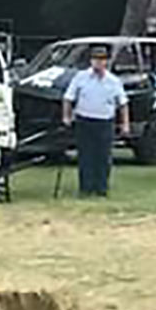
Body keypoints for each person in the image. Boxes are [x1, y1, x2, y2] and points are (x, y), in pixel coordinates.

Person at [62, 44, 129, 197]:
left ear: (106, 61)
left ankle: (101, 188)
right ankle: (86, 188)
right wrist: (66, 116)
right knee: (86, 155)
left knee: (103, 156)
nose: (98, 62)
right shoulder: (81, 77)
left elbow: (123, 104)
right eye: (95, 59)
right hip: (84, 120)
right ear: (90, 61)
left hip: (105, 122)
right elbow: (68, 98)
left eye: (102, 59)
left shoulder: (113, 81)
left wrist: (125, 124)